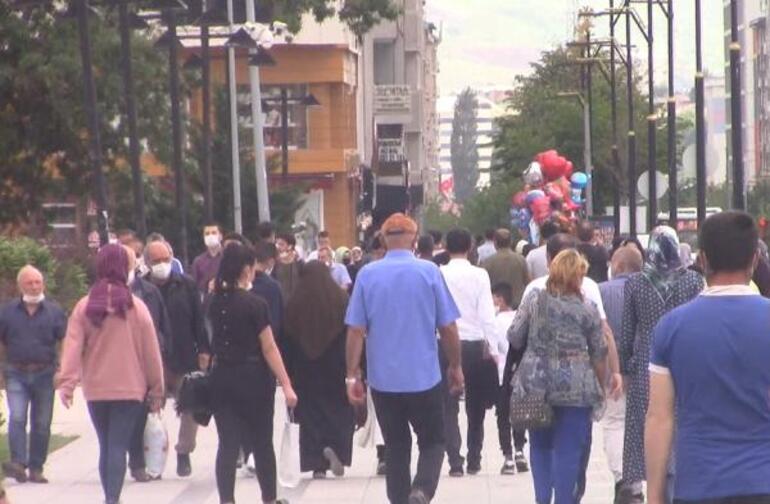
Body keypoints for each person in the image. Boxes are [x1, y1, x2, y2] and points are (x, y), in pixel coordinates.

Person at [646, 212, 770, 504]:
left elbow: (659, 417)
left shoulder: (671, 327)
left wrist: (654, 495)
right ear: (754, 259)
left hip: (699, 483)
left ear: (702, 260)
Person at [346, 213, 464, 504]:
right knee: (433, 440)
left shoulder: (367, 275)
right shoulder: (429, 272)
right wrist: (456, 366)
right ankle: (422, 490)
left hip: (384, 380)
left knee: (397, 447)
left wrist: (352, 374)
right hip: (424, 376)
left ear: (383, 239)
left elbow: (356, 330)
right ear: (414, 238)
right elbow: (447, 327)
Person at [58, 244, 164, 504]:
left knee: (106, 445)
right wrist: (157, 389)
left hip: (96, 389)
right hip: (129, 389)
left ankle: (110, 497)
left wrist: (67, 383)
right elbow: (151, 352)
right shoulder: (137, 307)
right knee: (118, 445)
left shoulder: (84, 307)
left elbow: (71, 348)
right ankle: (112, 499)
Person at [509, 249, 608, 504]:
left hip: (535, 383)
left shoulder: (533, 299)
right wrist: (601, 385)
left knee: (540, 445)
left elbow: (514, 335)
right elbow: (599, 352)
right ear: (578, 276)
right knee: (568, 451)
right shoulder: (588, 308)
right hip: (575, 386)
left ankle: (542, 499)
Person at [207, 243, 297, 504]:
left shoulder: (213, 302)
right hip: (253, 377)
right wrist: (287, 383)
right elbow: (269, 348)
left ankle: (227, 500)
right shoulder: (256, 304)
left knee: (227, 444)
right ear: (246, 269)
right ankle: (269, 498)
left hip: (222, 376)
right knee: (261, 441)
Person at [620, 226, 704, 504]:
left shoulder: (635, 283)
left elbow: (626, 332)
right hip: (684, 359)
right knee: (679, 423)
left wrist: (623, 369)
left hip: (647, 362)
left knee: (652, 424)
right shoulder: (692, 281)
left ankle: (658, 488)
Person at [144, 240, 211, 477]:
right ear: (147, 262)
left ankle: (184, 451)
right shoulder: (142, 289)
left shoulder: (187, 285)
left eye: (165, 259)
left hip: (184, 355)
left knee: (190, 408)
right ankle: (150, 457)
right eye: (156, 260)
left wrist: (204, 350)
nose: (162, 264)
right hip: (154, 359)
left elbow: (198, 320)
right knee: (150, 410)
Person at [284, 261, 354, 479]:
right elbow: (352, 333)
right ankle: (337, 449)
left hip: (304, 367)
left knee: (310, 414)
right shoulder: (341, 300)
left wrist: (287, 373)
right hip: (335, 365)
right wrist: (355, 368)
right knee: (338, 409)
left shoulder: (294, 302)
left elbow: (285, 337)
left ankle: (317, 463)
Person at [440, 228, 499, 477]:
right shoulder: (480, 275)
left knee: (448, 405)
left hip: (444, 342)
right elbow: (487, 312)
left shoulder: (438, 273)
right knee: (475, 406)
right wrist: (493, 346)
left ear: (445, 245)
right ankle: (475, 457)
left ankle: (455, 460)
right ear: (470, 247)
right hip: (475, 343)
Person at [0, 266, 66, 484]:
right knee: (17, 417)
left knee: (42, 422)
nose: (35, 286)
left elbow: (64, 340)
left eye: (38, 282)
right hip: (16, 372)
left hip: (45, 373)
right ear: (21, 285)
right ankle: (18, 463)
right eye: (30, 283)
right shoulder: (7, 312)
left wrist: (61, 368)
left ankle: (37, 467)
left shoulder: (54, 311)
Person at [125, 246, 173, 482]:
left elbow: (162, 326)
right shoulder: (102, 297)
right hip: (123, 365)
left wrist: (164, 353)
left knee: (144, 414)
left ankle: (140, 462)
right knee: (131, 416)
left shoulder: (149, 293)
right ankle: (133, 460)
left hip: (148, 361)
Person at [599, 245, 644, 502]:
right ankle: (637, 481)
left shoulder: (601, 291)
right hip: (646, 369)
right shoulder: (649, 290)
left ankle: (624, 479)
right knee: (641, 425)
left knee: (615, 423)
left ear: (617, 266)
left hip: (612, 372)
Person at [490, 282, 528, 476]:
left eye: (494, 298)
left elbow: (492, 348)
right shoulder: (519, 319)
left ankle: (508, 457)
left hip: (501, 375)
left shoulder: (495, 322)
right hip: (520, 374)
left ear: (501, 299)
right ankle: (520, 449)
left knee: (503, 416)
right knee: (519, 413)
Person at [482, 229, 530, 309]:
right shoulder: (521, 259)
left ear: (495, 243)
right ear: (511, 242)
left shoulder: (488, 262)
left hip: (496, 306)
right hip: (518, 305)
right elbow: (528, 282)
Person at [191, 223, 224, 294]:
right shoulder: (198, 261)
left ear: (221, 236)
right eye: (207, 234)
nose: (210, 236)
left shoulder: (227, 257)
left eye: (214, 233)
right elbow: (194, 286)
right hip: (205, 300)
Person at [274, 233, 303, 304]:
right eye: (277, 244)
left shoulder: (299, 263)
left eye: (281, 244)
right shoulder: (274, 263)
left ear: (290, 246)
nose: (278, 247)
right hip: (279, 302)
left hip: (297, 303)